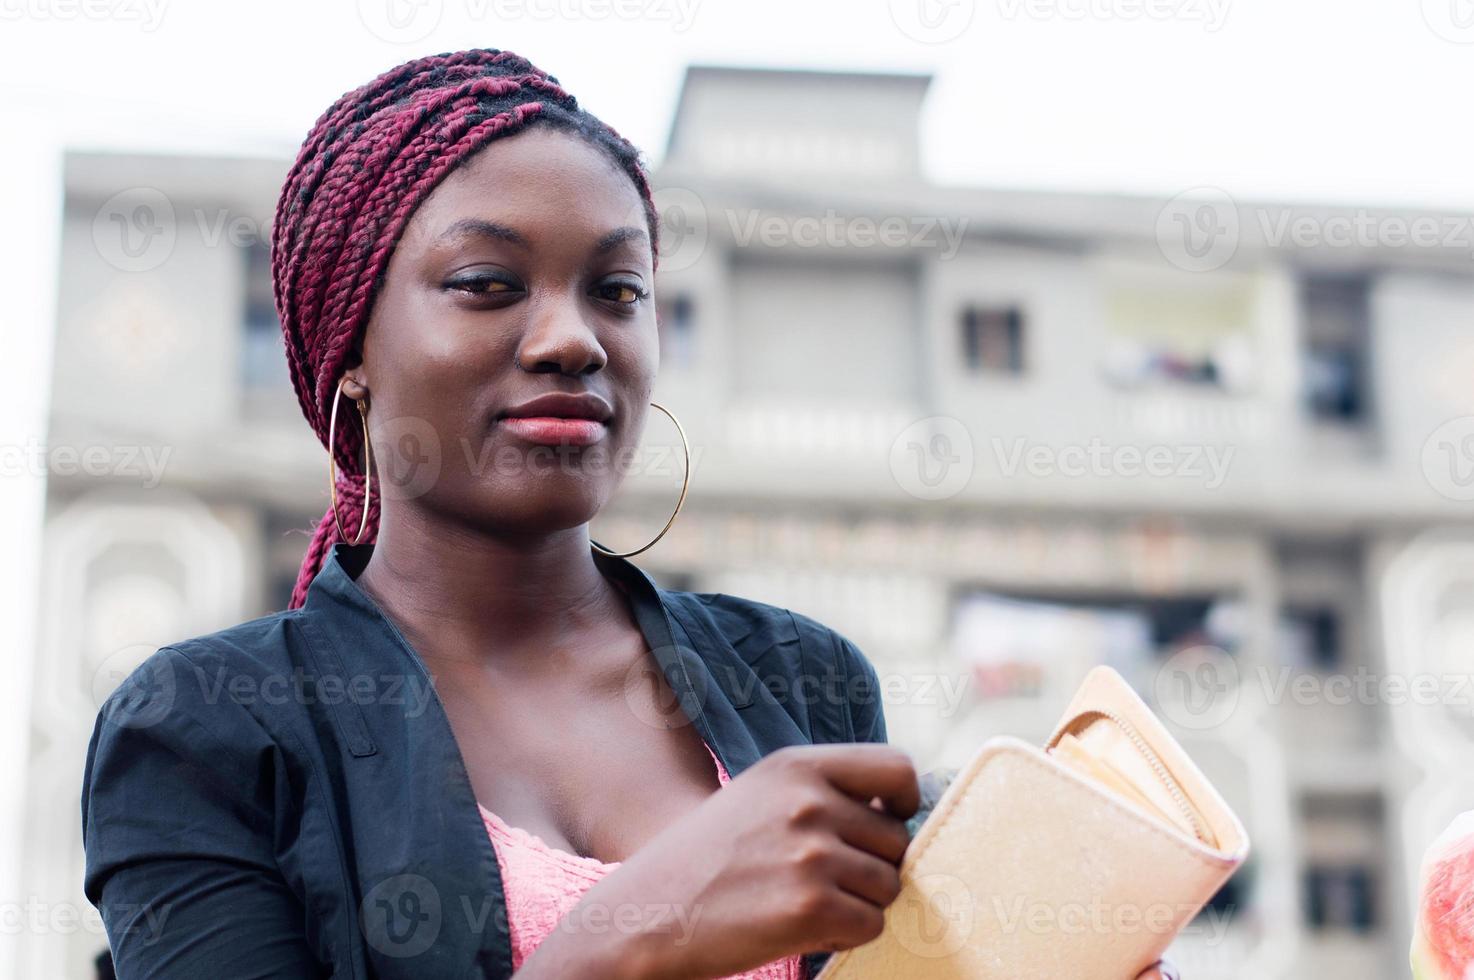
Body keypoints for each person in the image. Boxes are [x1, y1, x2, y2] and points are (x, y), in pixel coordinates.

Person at [79, 48, 1177, 980]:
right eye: (487, 283)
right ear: (351, 351)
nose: (573, 339)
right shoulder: (203, 729)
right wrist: (633, 930)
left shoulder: (800, 678)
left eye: (617, 290)